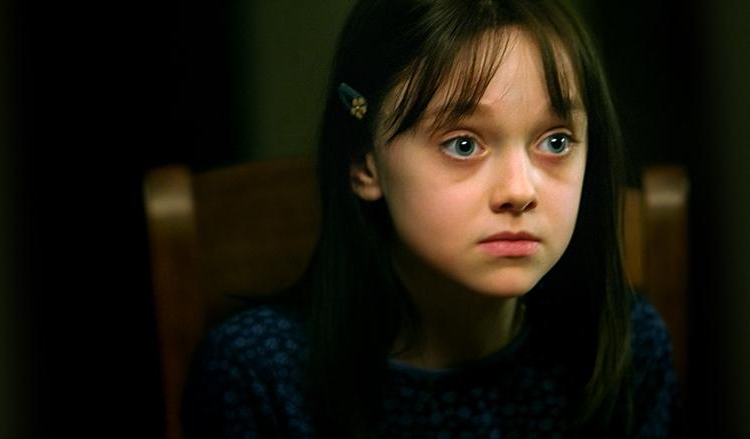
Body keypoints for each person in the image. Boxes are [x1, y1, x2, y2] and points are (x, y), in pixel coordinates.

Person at [182, 0, 680, 437]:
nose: (519, 191)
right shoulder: (260, 374)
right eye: (462, 144)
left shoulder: (626, 347)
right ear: (365, 163)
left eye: (556, 141)